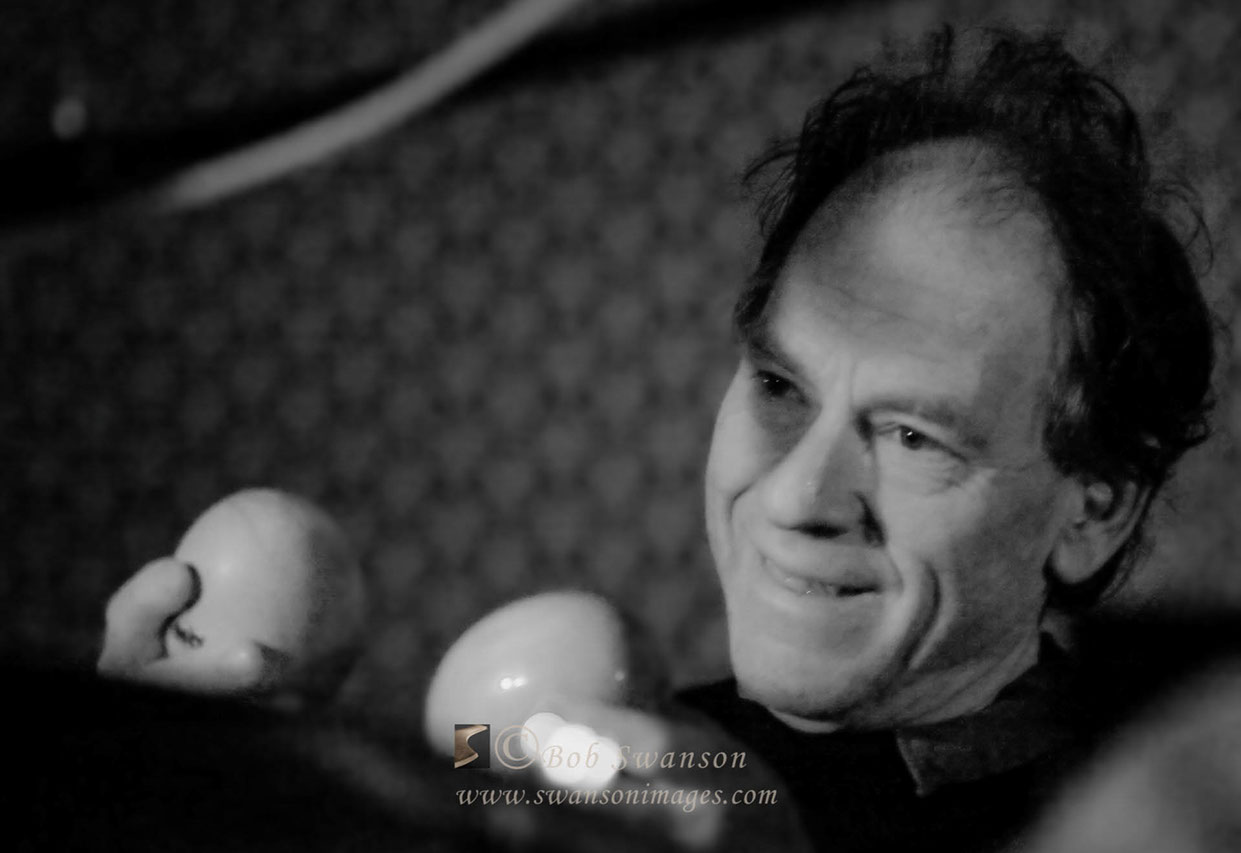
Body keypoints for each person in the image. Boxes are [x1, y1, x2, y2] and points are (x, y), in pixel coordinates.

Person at [93, 26, 1217, 853]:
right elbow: (452, 781)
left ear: (1093, 507)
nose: (796, 495)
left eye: (915, 436)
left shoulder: (1164, 805)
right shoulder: (633, 756)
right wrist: (228, 780)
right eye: (778, 385)